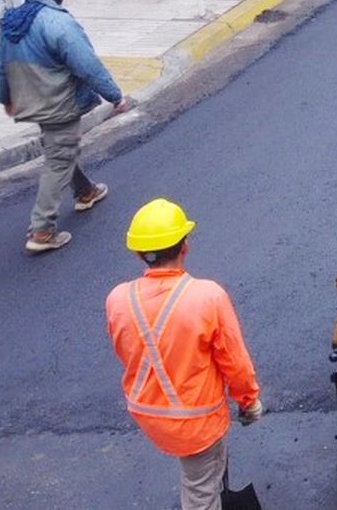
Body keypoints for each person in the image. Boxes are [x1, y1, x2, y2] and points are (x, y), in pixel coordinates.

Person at [106, 198, 264, 510]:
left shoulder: (118, 298)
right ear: (185, 246)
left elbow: (127, 350)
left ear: (139, 253)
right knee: (200, 491)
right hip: (195, 420)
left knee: (205, 469)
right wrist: (249, 402)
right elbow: (235, 363)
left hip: (147, 410)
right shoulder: (207, 297)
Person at [0, 0, 130, 254]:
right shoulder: (58, 23)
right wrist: (115, 96)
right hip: (59, 101)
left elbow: (0, 65)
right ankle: (41, 230)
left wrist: (6, 98)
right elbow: (87, 65)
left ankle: (85, 191)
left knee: (60, 148)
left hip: (33, 100)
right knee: (59, 157)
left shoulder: (12, 21)